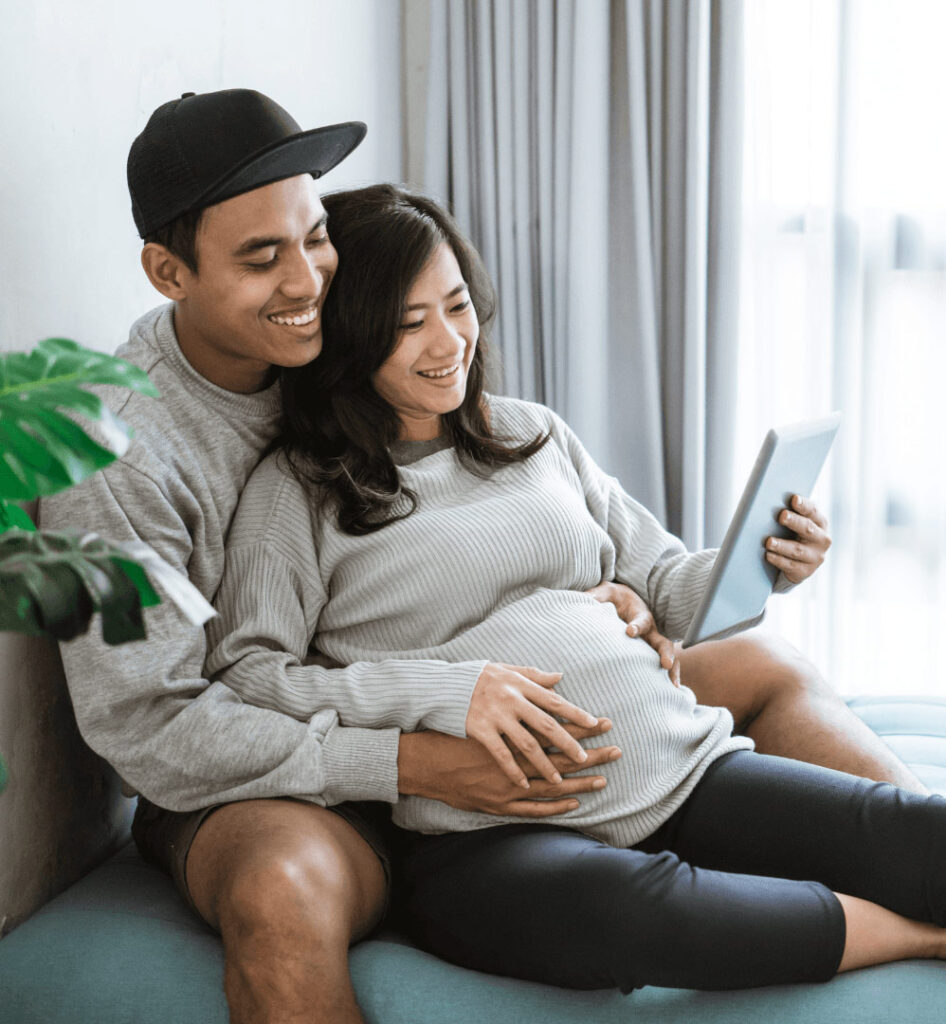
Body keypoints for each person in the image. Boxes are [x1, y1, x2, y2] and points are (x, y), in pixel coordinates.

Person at [38, 87, 922, 1023]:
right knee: (283, 892)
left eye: (316, 238)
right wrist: (412, 758)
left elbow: (514, 529)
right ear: (169, 272)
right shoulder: (133, 454)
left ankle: (907, 872)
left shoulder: (393, 383)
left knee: (768, 664)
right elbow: (162, 726)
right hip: (278, 760)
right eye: (263, 259)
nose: (306, 284)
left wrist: (637, 590)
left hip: (511, 713)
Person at [206, 183, 946, 993]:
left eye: (459, 305)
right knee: (632, 917)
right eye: (409, 324)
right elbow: (252, 678)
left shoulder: (530, 434)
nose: (450, 341)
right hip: (489, 831)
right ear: (352, 340)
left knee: (913, 838)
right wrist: (449, 692)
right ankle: (914, 937)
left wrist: (761, 560)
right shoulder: (299, 492)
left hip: (677, 766)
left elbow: (661, 580)